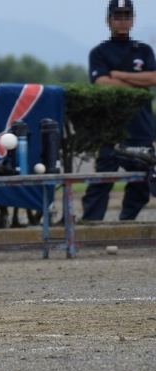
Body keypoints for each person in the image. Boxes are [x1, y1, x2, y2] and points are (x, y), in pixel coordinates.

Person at [81, 0, 156, 221]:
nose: (122, 21)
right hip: (111, 130)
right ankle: (91, 226)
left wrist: (119, 75)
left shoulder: (143, 50)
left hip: (141, 128)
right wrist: (137, 83)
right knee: (102, 181)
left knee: (142, 183)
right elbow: (102, 83)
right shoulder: (100, 52)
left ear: (132, 20)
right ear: (109, 21)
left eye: (126, 16)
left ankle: (126, 222)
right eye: (117, 17)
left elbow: (153, 78)